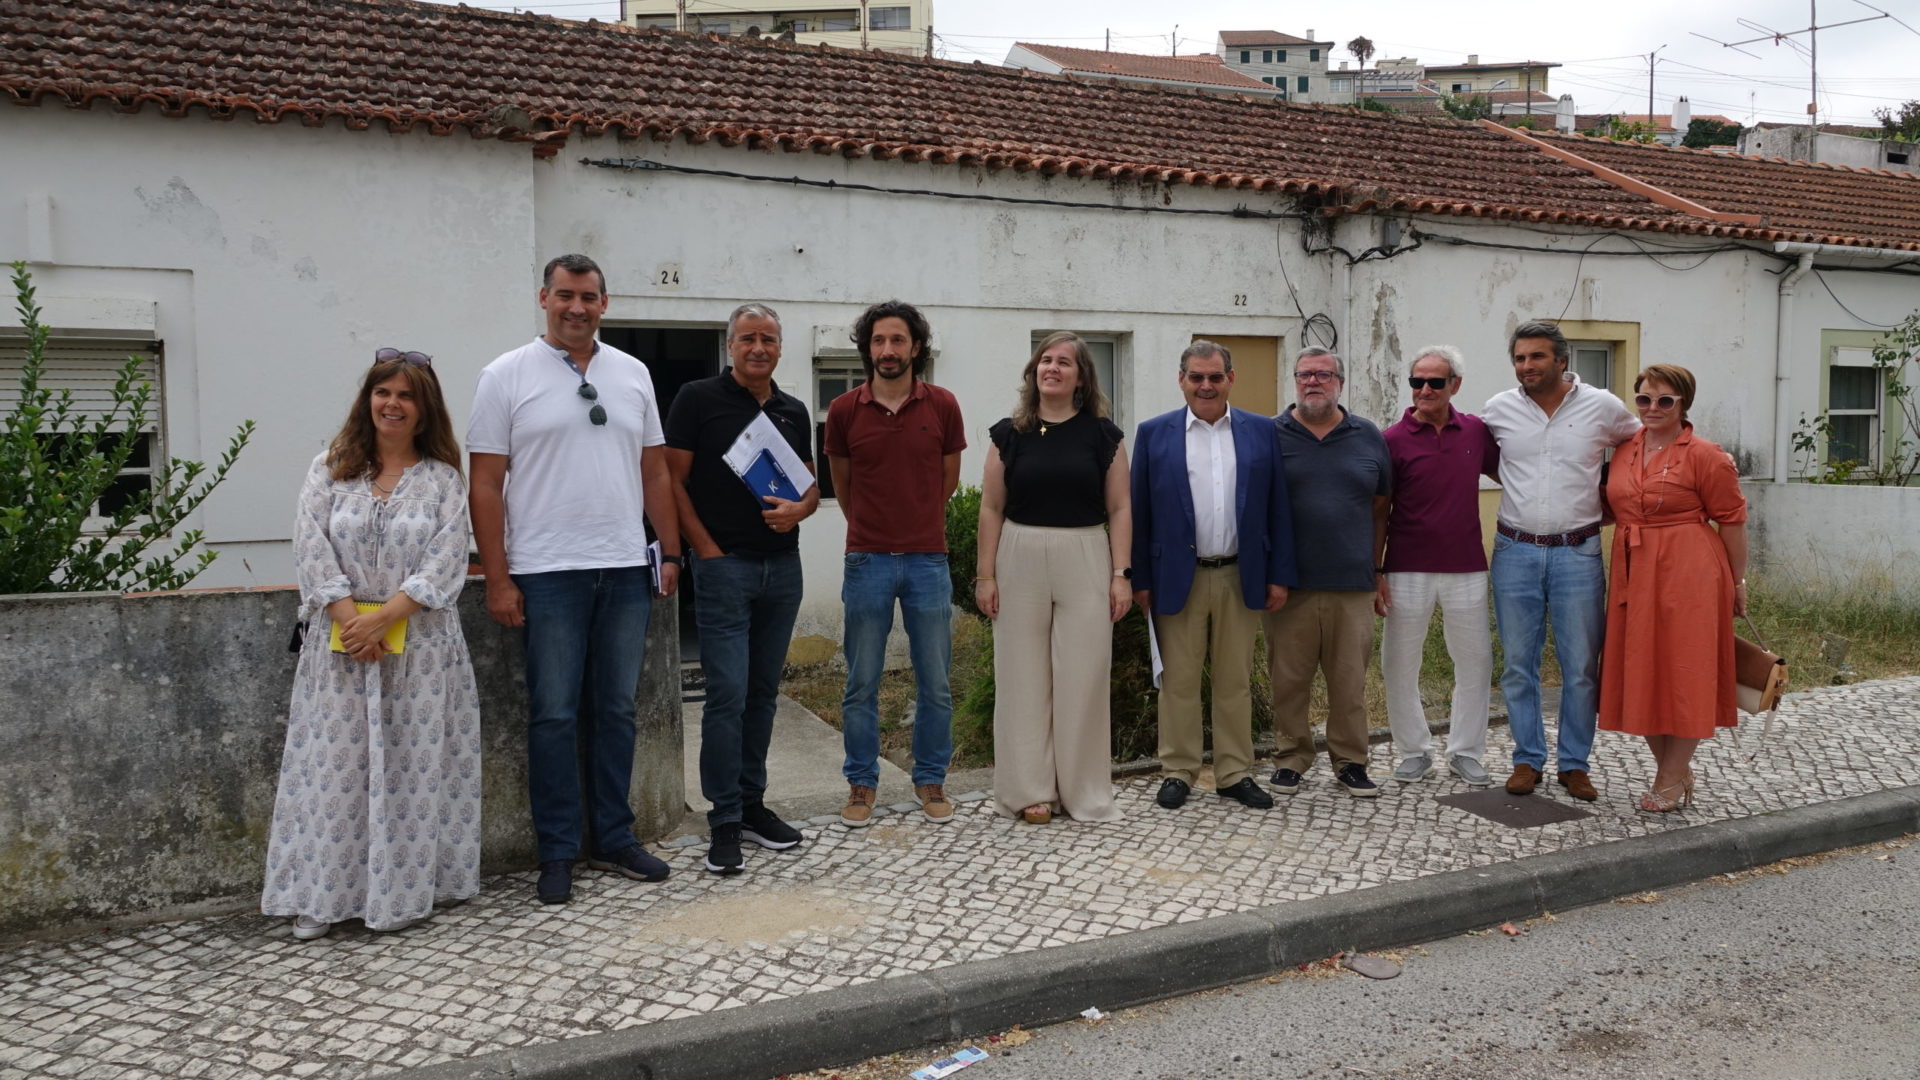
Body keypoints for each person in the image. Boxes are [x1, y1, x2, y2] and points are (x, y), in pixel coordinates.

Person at [468, 254, 681, 906]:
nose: (577, 308)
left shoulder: (633, 373)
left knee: (617, 711)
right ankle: (558, 851)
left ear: (604, 303)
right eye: (565, 295)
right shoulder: (505, 375)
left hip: (622, 568)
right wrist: (498, 577)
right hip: (546, 572)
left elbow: (654, 474)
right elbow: (484, 481)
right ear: (544, 298)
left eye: (588, 297)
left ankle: (615, 837)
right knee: (554, 715)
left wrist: (669, 553)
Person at [263, 349, 481, 940]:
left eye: (406, 395)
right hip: (340, 650)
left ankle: (407, 891)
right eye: (383, 393)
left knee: (414, 768)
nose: (393, 404)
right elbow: (310, 546)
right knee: (333, 771)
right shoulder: (329, 468)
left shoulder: (442, 480)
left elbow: (448, 557)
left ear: (423, 408)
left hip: (420, 651)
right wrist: (347, 619)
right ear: (368, 401)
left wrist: (385, 616)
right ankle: (322, 897)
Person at [666, 303, 819, 874]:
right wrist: (702, 548)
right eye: (748, 338)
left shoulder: (794, 409)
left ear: (780, 347)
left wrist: (800, 511)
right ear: (731, 345)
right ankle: (724, 816)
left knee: (762, 694)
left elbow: (808, 485)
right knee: (726, 696)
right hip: (723, 567)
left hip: (783, 568)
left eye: (769, 339)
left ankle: (753, 804)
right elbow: (670, 480)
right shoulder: (697, 399)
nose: (759, 347)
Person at [1130, 340, 1295, 812]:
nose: (1206, 385)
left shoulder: (1262, 431)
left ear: (1230, 379)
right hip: (1174, 576)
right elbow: (1139, 511)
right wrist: (1139, 576)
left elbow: (1277, 508)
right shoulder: (1154, 433)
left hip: (1240, 573)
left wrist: (1278, 575)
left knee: (1235, 679)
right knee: (1178, 681)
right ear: (1181, 379)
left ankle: (1234, 772)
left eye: (1215, 377)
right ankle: (1178, 770)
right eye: (1196, 377)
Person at [977, 332, 1131, 824]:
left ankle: (1084, 791)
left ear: (1081, 377)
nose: (1053, 368)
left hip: (1085, 552)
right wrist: (986, 575)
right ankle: (1029, 793)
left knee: (1082, 677)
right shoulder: (1009, 434)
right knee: (1021, 676)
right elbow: (991, 507)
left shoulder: (1104, 436)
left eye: (1065, 362)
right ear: (1034, 371)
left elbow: (1121, 508)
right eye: (1046, 360)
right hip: (1019, 553)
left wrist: (1120, 574)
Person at [1482, 321, 1639, 802]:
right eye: (1520, 358)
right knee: (1517, 665)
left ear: (1562, 360)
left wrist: (1709, 454)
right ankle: (1527, 759)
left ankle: (1574, 765)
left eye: (1536, 357)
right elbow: (1490, 459)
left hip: (1578, 552)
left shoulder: (1604, 407)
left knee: (1580, 667)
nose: (1526, 366)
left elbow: (1643, 446)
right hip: (1515, 550)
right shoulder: (1498, 409)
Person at [824, 301, 967, 828]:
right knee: (861, 681)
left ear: (915, 347)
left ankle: (930, 779)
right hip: (867, 560)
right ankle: (862, 783)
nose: (888, 350)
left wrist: (916, 524)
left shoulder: (944, 405)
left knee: (936, 681)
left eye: (898, 340)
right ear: (868, 348)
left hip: (928, 559)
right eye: (879, 341)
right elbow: (844, 487)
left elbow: (947, 482)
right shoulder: (843, 410)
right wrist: (875, 530)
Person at [1598, 364, 1749, 812]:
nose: (1653, 408)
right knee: (1637, 667)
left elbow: (1733, 521)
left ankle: (1668, 778)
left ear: (1684, 404)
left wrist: (1737, 582)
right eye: (1644, 398)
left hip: (1691, 571)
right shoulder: (1624, 449)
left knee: (1686, 670)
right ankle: (1676, 771)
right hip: (1634, 568)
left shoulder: (1707, 456)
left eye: (1665, 400)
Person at [1266, 347, 1392, 798]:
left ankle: (1351, 761)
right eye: (1305, 375)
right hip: (1289, 585)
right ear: (1294, 381)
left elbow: (1381, 506)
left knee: (1349, 684)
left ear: (1340, 381)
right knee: (1288, 680)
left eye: (1323, 374)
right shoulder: (1270, 434)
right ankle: (1291, 758)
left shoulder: (1368, 436)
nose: (1313, 382)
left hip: (1352, 583)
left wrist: (1378, 569)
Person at [1378, 346, 1502, 788]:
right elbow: (1379, 509)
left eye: (1435, 382)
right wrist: (1376, 570)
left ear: (1456, 385)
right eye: (1417, 382)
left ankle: (1466, 752)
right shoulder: (1391, 440)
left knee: (1475, 662)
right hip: (1406, 567)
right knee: (1399, 663)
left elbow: (1515, 475)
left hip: (1466, 566)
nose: (1425, 390)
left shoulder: (1476, 432)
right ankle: (1413, 751)